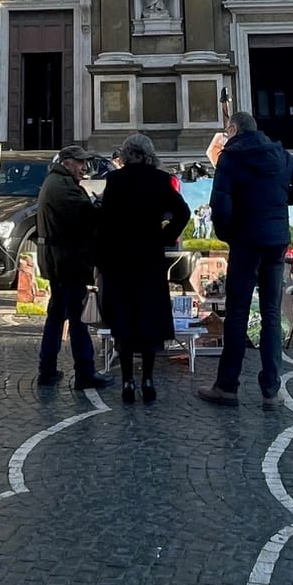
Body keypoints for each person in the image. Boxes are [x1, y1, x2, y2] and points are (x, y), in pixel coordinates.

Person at [197, 112, 293, 407]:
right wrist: (277, 201)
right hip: (275, 241)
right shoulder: (280, 154)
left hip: (246, 242)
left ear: (232, 130)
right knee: (271, 313)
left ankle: (227, 386)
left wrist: (229, 234)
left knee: (238, 313)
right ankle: (271, 391)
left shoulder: (231, 157)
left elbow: (220, 205)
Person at [97, 133, 192, 405]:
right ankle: (148, 380)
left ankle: (127, 381)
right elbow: (183, 212)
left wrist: (102, 257)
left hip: (120, 260)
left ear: (127, 154)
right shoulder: (161, 180)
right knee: (148, 319)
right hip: (149, 259)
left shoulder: (115, 180)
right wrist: (164, 237)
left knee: (125, 321)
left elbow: (105, 222)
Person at [35, 144, 111, 391]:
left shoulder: (58, 182)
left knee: (57, 316)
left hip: (60, 260)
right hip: (65, 262)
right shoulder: (61, 186)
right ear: (67, 162)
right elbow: (86, 216)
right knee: (76, 320)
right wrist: (100, 203)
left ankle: (47, 369)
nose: (84, 167)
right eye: (80, 163)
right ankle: (84, 373)